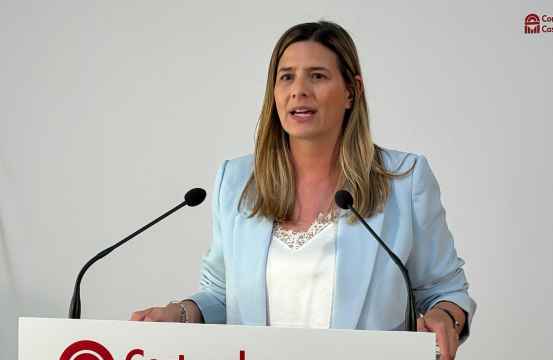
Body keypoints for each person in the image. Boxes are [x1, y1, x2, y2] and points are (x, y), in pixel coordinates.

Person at [131, 21, 476, 360]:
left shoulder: (404, 179)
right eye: (286, 77)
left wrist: (445, 316)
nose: (299, 90)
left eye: (317, 76)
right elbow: (222, 295)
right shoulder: (235, 181)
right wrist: (178, 315)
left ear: (351, 91)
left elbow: (444, 290)